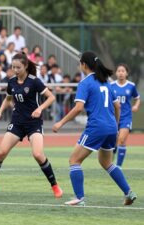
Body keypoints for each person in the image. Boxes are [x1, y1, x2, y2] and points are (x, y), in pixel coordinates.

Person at [52, 51, 137, 206]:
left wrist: (60, 123)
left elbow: (78, 108)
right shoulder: (106, 82)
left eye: (80, 62)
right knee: (107, 164)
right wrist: (116, 126)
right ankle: (129, 192)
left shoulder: (85, 83)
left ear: (84, 64)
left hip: (96, 127)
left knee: (74, 160)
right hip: (111, 127)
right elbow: (117, 106)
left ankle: (80, 198)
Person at [0, 53, 63, 198]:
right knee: (1, 153)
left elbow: (51, 97)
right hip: (17, 122)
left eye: (18, 67)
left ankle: (55, 186)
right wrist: (0, 111)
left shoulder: (34, 81)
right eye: (13, 67)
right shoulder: (11, 81)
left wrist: (40, 108)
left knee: (38, 154)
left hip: (33, 123)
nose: (15, 70)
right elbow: (8, 98)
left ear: (26, 66)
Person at [111, 64, 140, 168]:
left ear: (126, 73)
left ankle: (118, 166)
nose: (121, 73)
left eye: (123, 71)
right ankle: (110, 163)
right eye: (119, 71)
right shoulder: (111, 85)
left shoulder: (131, 86)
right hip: (114, 118)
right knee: (113, 142)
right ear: (116, 73)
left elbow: (137, 98)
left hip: (126, 117)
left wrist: (136, 106)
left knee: (122, 140)